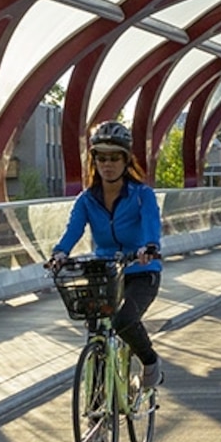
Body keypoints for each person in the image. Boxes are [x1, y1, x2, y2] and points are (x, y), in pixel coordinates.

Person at [49, 121, 165, 402]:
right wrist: (59, 253)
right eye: (101, 157)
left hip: (141, 271)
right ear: (94, 161)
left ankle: (150, 362)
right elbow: (72, 230)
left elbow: (152, 225)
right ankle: (96, 411)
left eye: (114, 158)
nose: (107, 164)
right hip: (106, 273)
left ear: (126, 160)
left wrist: (148, 247)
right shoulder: (87, 200)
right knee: (97, 332)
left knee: (125, 319)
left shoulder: (142, 196)